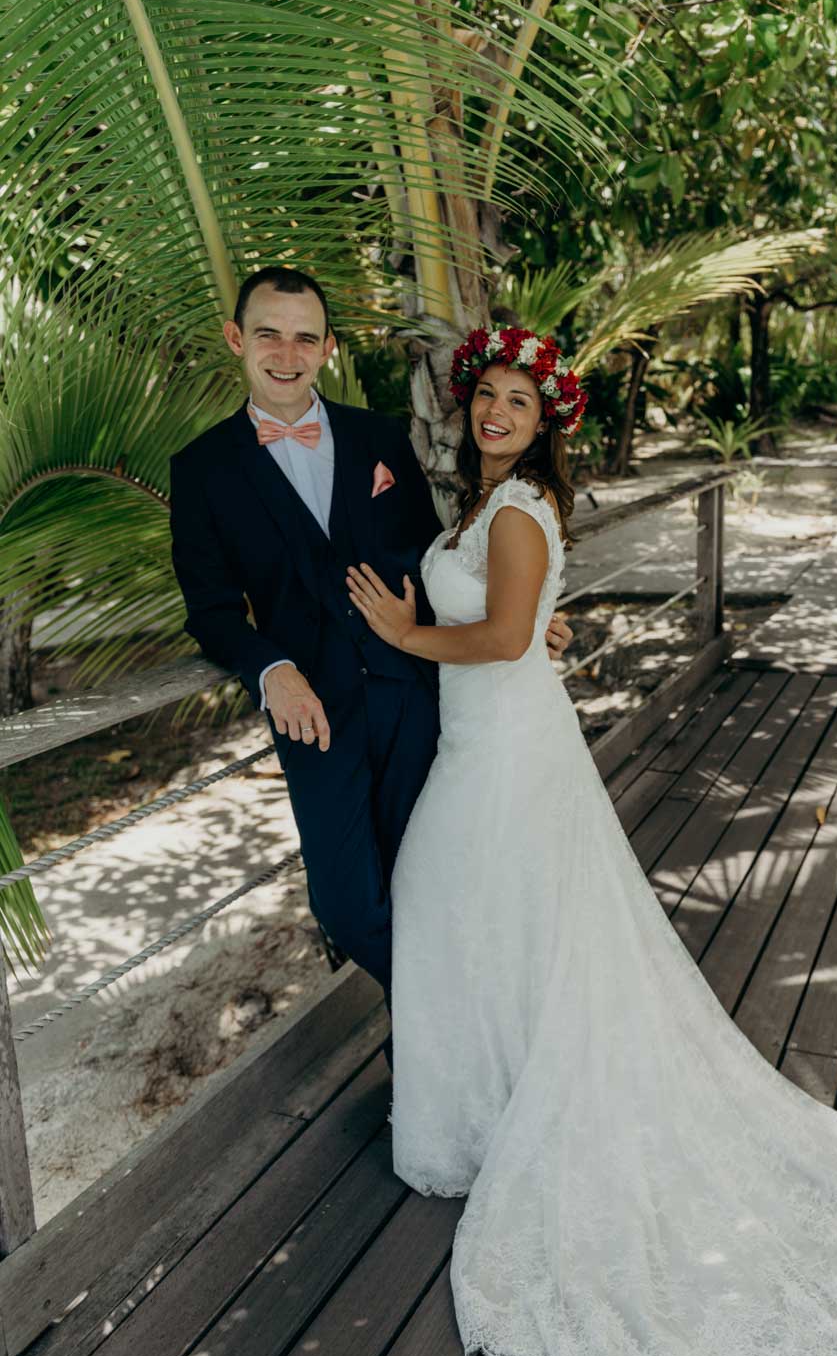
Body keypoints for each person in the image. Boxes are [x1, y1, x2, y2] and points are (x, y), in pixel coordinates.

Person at [343, 324, 837, 1356]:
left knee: (466, 907)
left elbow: (506, 638)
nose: (498, 411)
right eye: (486, 396)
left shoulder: (519, 512)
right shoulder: (481, 506)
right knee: (479, 918)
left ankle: (507, 1110)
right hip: (489, 746)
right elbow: (523, 630)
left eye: (518, 399)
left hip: (502, 750)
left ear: (547, 419)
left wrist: (406, 634)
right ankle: (493, 1106)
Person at [167, 267, 572, 1060]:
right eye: (269, 334)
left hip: (419, 699)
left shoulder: (380, 438)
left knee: (434, 884)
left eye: (305, 336)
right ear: (236, 340)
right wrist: (269, 669)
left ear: (328, 347)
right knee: (349, 906)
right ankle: (465, 1022)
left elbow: (435, 556)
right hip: (313, 714)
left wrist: (521, 621)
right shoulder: (202, 468)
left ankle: (442, 1058)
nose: (287, 352)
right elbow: (209, 610)